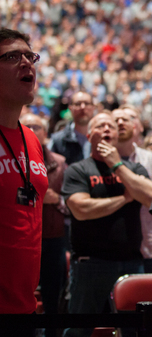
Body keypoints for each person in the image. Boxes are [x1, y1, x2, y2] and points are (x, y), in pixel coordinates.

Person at [61, 113, 152, 337]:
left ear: (117, 135)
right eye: (100, 125)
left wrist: (117, 164)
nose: (106, 129)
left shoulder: (133, 168)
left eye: (110, 126)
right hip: (90, 264)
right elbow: (81, 210)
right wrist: (124, 198)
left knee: (135, 330)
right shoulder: (78, 170)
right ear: (88, 134)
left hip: (131, 263)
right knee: (79, 330)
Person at [0, 28, 48, 337]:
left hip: (25, 307)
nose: (26, 63)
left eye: (30, 56)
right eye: (12, 56)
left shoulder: (31, 138)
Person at [21, 113, 68, 337]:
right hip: (23, 239)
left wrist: (55, 199)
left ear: (46, 133)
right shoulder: (15, 159)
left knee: (52, 296)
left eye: (36, 126)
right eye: (26, 125)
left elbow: (71, 202)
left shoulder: (59, 163)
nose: (31, 129)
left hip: (53, 237)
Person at [112, 107, 152, 273]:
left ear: (135, 126)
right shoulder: (97, 161)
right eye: (115, 120)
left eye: (126, 119)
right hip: (111, 250)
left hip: (148, 246)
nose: (120, 123)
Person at [49, 91, 94, 165]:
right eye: (78, 104)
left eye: (87, 103)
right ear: (70, 108)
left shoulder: (101, 138)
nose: (82, 107)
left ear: (93, 107)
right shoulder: (58, 140)